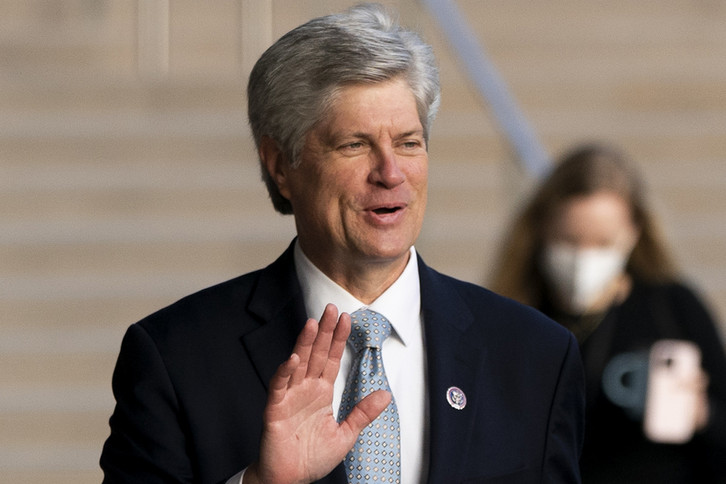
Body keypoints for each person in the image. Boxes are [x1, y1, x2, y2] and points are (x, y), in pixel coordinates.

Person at [100, 4, 585, 484]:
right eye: (354, 144)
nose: (391, 173)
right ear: (280, 166)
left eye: (409, 142)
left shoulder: (534, 356)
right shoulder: (176, 359)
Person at [490, 142, 726, 483]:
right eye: (569, 240)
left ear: (632, 235)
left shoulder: (673, 309)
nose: (583, 260)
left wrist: (704, 415)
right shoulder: (510, 318)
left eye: (602, 243)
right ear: (542, 230)